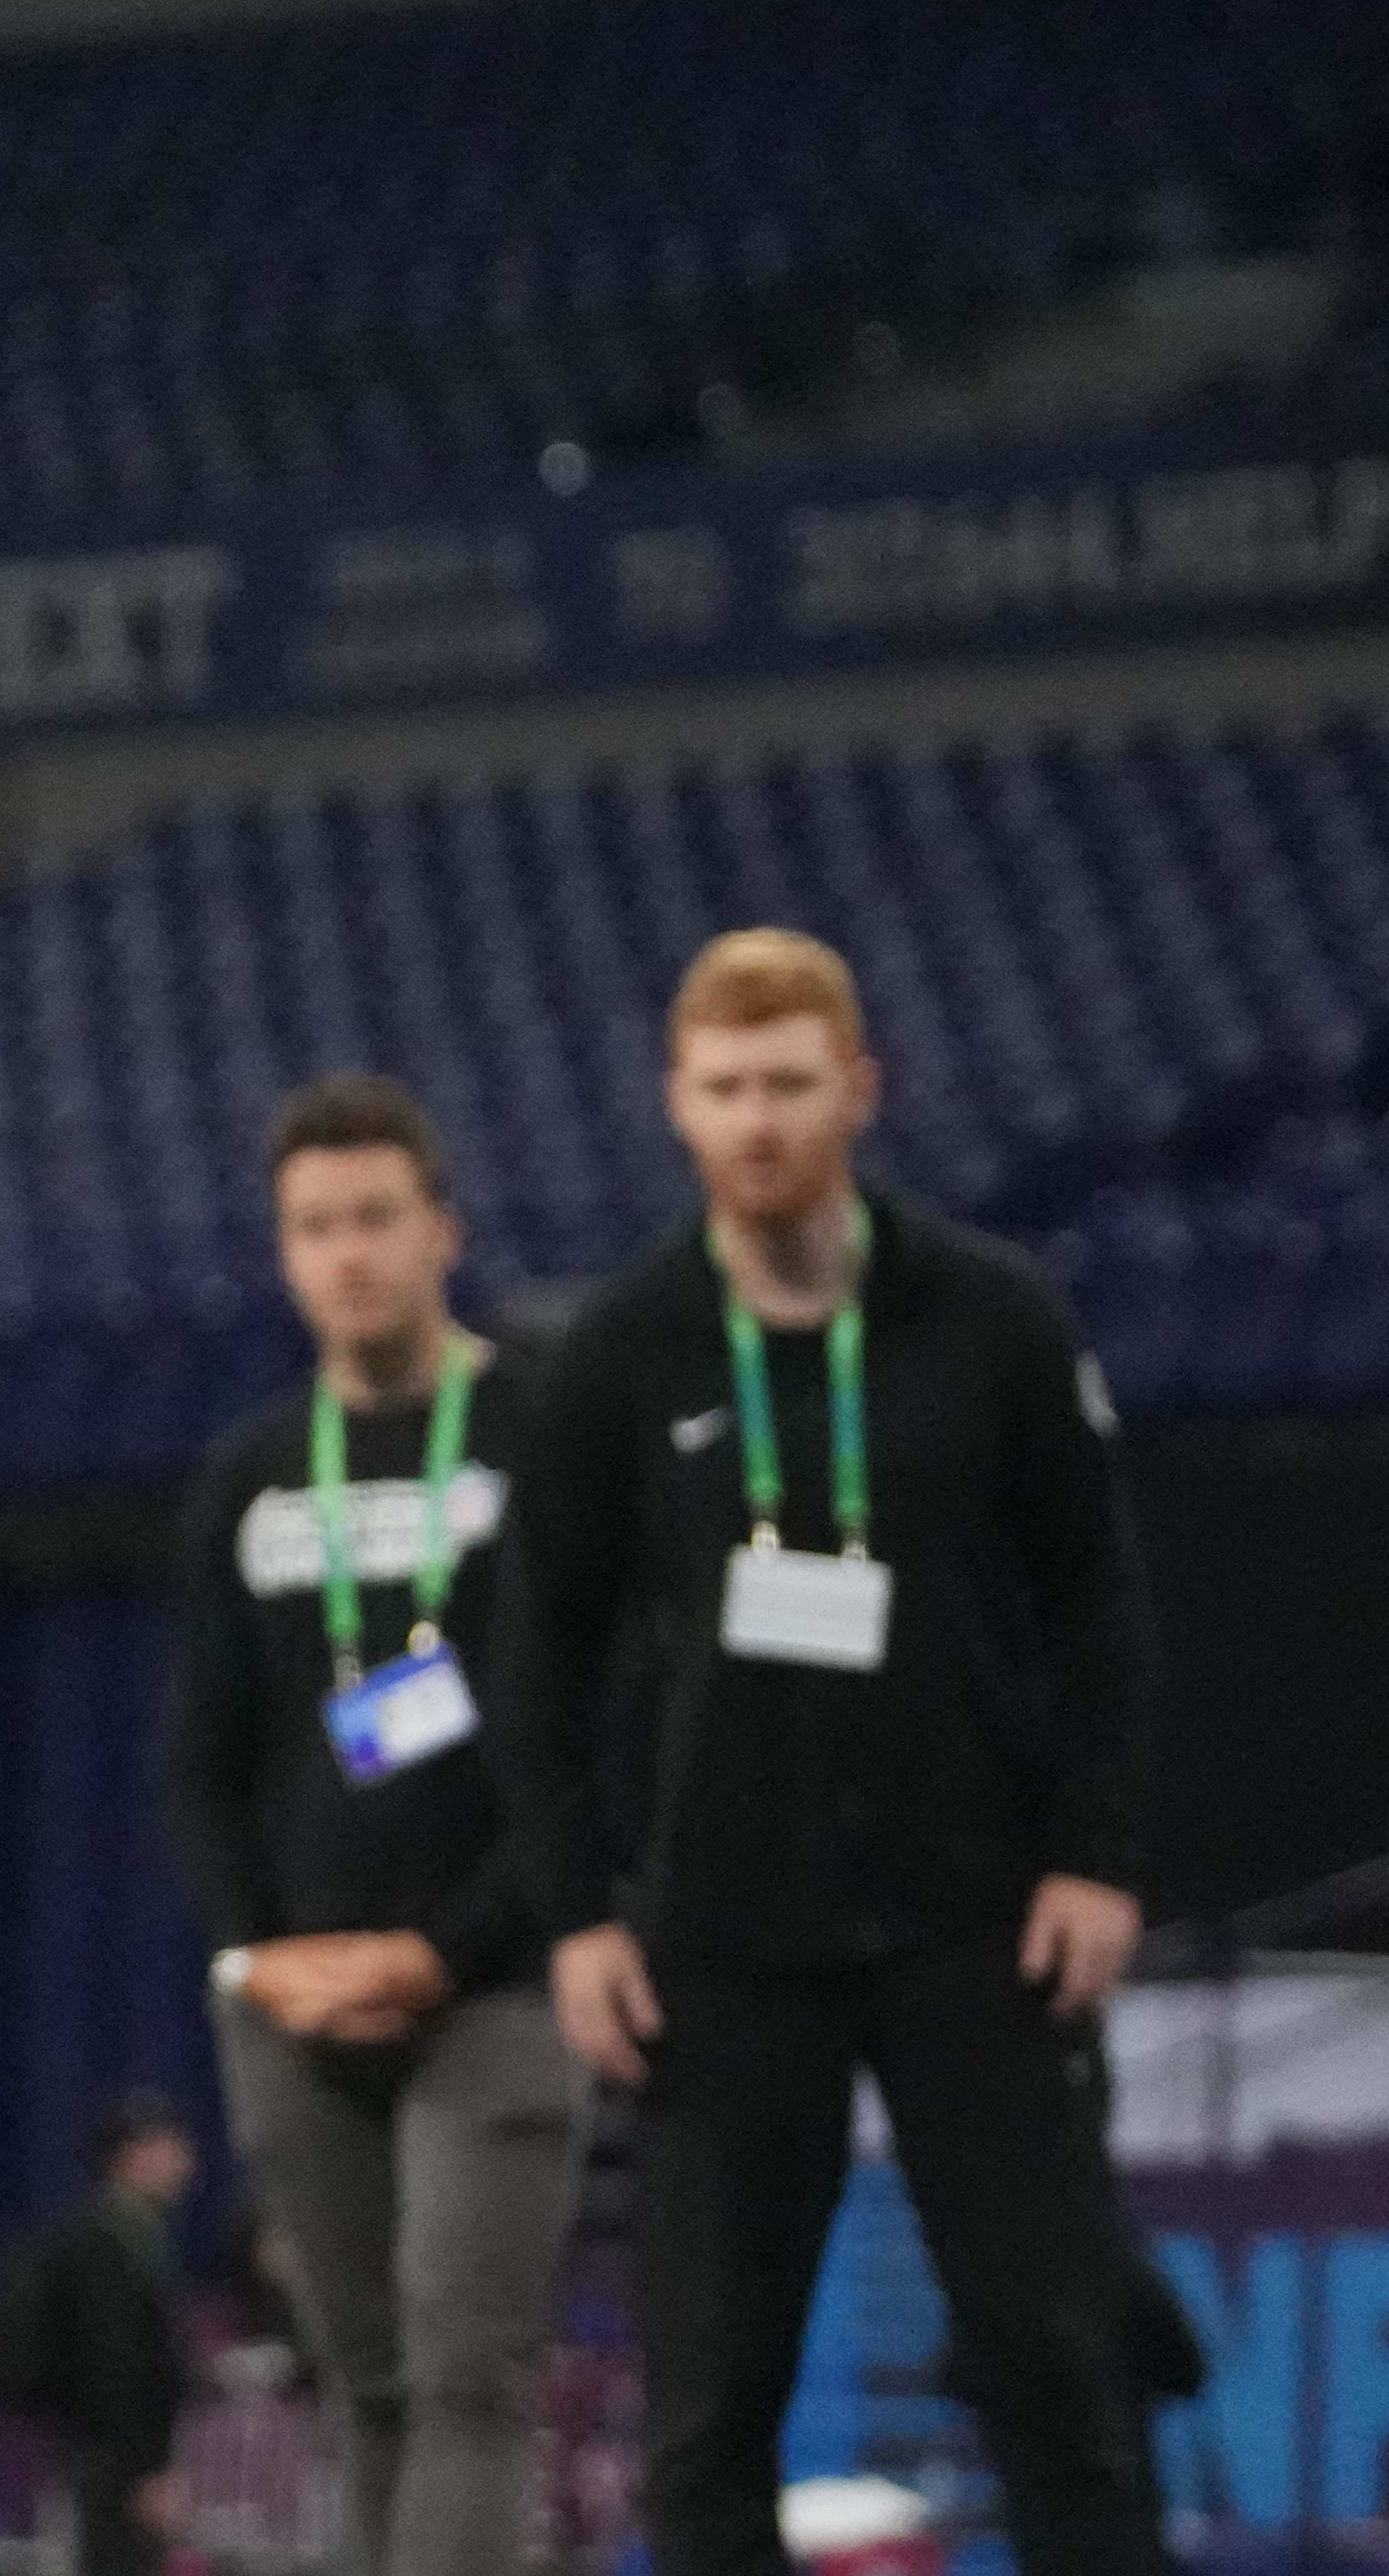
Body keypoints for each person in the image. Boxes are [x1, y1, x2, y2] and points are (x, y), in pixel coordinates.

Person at [502, 930, 1161, 2576]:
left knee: (1059, 2372)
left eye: (790, 1085)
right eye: (725, 1091)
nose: (759, 1122)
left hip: (980, 1924)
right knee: (711, 2413)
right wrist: (580, 1910)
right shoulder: (621, 1349)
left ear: (858, 1091)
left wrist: (1096, 1851)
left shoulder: (992, 1319)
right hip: (722, 1948)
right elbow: (537, 1653)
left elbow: (1101, 1606)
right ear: (677, 1108)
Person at [156, 1076, 577, 2576]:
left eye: (373, 1220)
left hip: (500, 1985)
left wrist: (445, 1950)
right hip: (295, 1998)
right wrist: (251, 1959)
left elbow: (599, 1745)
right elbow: (199, 1760)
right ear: (280, 1252)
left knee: (469, 2383)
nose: (346, 1255)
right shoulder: (248, 1475)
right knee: (365, 2389)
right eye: (312, 1227)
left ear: (439, 1232)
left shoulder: (541, 1434)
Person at [0, 2093, 204, 2576]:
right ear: (131, 2156)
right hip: (110, 2465)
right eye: (170, 2144)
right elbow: (118, 2366)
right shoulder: (108, 2245)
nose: (186, 2158)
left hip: (100, 2458)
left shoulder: (131, 2235)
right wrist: (144, 2470)